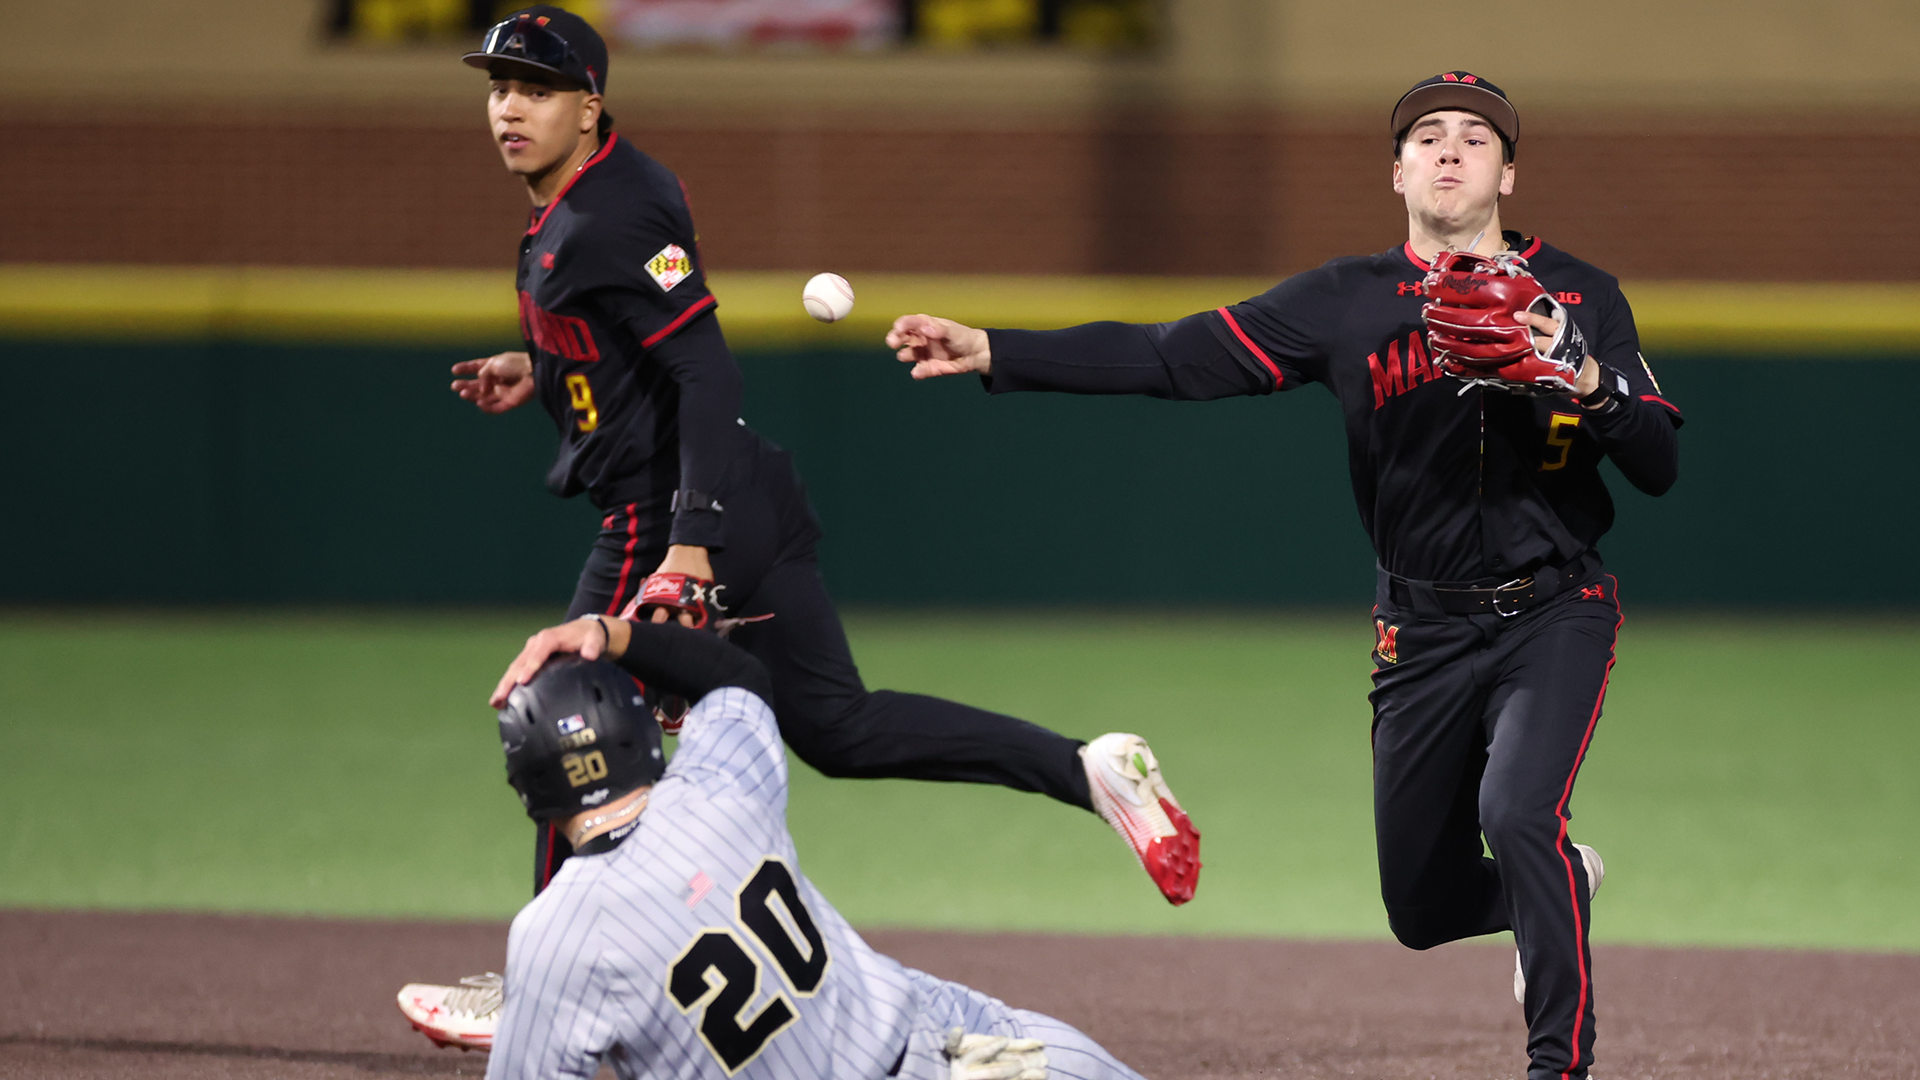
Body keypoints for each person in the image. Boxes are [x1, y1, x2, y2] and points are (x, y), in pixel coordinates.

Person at [884, 72, 1681, 1080]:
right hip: (1420, 634)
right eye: (1426, 136)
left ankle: (1555, 1063)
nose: (1449, 150)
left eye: (1475, 138)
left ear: (1509, 173)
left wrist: (1584, 375)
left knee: (1516, 812)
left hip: (1553, 611)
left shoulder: (1578, 294)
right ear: (1396, 173)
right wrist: (998, 350)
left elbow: (1658, 463)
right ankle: (1557, 883)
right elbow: (1174, 357)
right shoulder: (1346, 303)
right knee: (1421, 908)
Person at [448, 3, 1198, 904]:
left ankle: (549, 979)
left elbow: (707, 373)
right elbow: (628, 334)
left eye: (539, 88)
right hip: (745, 492)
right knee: (843, 730)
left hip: (670, 510)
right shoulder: (592, 196)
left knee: (562, 705)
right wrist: (542, 364)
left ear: (591, 105)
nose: (511, 108)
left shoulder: (606, 213)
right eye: (500, 88)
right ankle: (1087, 769)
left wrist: (687, 543)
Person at [399, 615, 1151, 1080]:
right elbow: (738, 676)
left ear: (527, 782)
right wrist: (611, 632)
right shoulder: (717, 788)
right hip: (970, 1053)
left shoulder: (553, 940)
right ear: (640, 732)